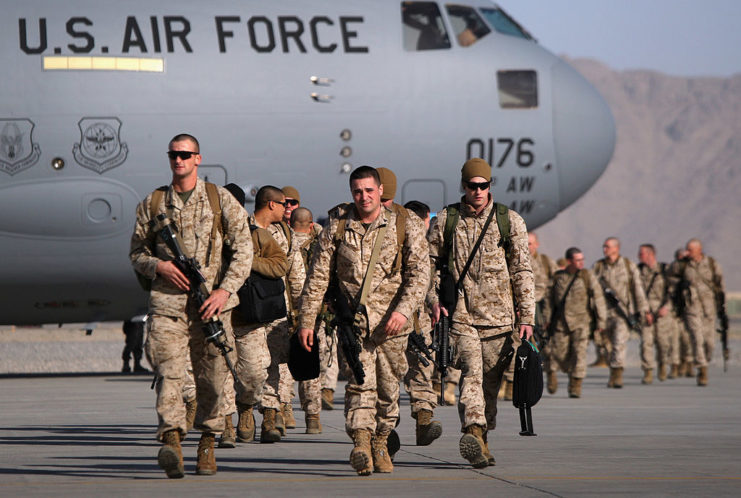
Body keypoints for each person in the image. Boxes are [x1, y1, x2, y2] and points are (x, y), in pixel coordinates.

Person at [130, 133, 252, 478]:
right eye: (173, 154)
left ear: (198, 158)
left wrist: (224, 292)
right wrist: (160, 266)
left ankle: (208, 443)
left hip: (211, 307)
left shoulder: (220, 200)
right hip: (168, 305)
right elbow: (137, 253)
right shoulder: (153, 204)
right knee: (168, 372)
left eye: (185, 154)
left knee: (213, 379)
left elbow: (244, 251)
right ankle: (171, 439)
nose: (178, 160)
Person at [297, 166, 429, 476]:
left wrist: (402, 312)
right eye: (357, 191)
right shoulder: (338, 227)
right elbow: (317, 278)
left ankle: (381, 441)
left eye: (369, 190)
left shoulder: (404, 224)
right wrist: (306, 321)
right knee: (359, 385)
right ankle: (360, 442)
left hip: (391, 326)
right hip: (353, 325)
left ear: (380, 190)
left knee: (387, 391)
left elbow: (420, 274)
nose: (363, 197)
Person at [427, 158, 535, 468]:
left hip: (500, 320)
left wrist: (526, 317)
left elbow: (522, 270)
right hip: (461, 316)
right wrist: (434, 301)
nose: (477, 191)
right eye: (472, 186)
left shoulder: (509, 221)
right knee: (471, 375)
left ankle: (482, 437)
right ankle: (472, 431)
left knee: (490, 384)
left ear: (490, 186)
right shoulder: (447, 219)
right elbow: (429, 266)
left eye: (483, 186)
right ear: (463, 186)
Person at [217, 183, 288, 448]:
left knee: (255, 372)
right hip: (219, 316)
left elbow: (281, 263)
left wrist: (247, 263)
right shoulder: (207, 238)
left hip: (250, 315)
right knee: (220, 372)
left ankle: (246, 406)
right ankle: (226, 423)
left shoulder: (256, 236)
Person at [376, 169, 443, 447]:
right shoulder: (398, 239)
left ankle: (423, 421)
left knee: (419, 367)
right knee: (402, 373)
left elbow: (424, 282)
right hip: (398, 319)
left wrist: (435, 303)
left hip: (411, 320)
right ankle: (390, 429)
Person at [249, 186, 306, 439]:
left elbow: (296, 275)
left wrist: (303, 313)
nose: (288, 209)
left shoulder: (286, 233)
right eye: (284, 204)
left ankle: (270, 418)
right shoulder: (241, 228)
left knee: (272, 364)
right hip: (246, 309)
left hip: (275, 310)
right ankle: (242, 414)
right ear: (271, 204)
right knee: (246, 367)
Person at [544, 247, 606, 397]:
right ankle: (551, 374)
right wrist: (546, 320)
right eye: (578, 260)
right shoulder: (558, 277)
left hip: (581, 322)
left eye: (582, 259)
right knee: (557, 354)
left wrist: (601, 321)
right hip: (560, 324)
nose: (581, 263)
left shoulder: (587, 276)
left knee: (579, 354)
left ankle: (575, 385)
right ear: (569, 261)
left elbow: (598, 298)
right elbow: (548, 300)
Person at [592, 237, 649, 388]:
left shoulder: (628, 266)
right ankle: (613, 370)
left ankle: (617, 375)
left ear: (616, 248)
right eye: (604, 246)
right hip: (603, 314)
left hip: (622, 313)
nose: (605, 249)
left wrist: (643, 309)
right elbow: (591, 290)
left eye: (608, 246)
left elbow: (637, 289)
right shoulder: (598, 267)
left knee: (619, 343)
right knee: (606, 346)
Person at [289, 206, 324, 433]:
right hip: (314, 312)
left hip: (285, 311)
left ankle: (282, 412)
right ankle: (312, 416)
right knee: (311, 364)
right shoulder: (319, 244)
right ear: (310, 225)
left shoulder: (282, 241)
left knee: (282, 367)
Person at [672, 238, 725, 386]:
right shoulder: (682, 265)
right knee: (696, 338)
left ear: (699, 250)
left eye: (690, 249)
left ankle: (705, 360)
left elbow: (720, 286)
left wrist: (722, 307)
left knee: (709, 342)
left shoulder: (712, 264)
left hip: (709, 308)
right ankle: (702, 370)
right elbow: (668, 276)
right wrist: (678, 285)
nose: (687, 252)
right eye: (686, 249)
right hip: (691, 307)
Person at [523, 232, 558, 398]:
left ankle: (551, 374)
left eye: (530, 243)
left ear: (536, 244)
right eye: (525, 243)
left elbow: (558, 281)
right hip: (524, 308)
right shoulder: (517, 259)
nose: (528, 246)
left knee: (547, 344)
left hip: (542, 308)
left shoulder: (546, 262)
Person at [637, 244, 676, 383]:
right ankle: (648, 371)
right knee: (646, 342)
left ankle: (662, 364)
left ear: (650, 254)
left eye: (641, 253)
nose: (638, 256)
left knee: (662, 342)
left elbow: (673, 292)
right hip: (645, 311)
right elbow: (637, 294)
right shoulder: (638, 271)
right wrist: (645, 311)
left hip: (662, 313)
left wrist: (667, 307)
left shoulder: (665, 270)